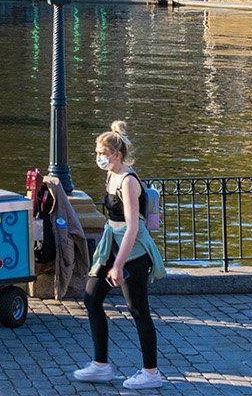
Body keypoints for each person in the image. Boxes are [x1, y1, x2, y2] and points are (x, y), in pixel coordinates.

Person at [75, 121, 165, 390]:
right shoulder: (111, 175)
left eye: (102, 153)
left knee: (138, 310)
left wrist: (118, 264)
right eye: (96, 153)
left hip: (133, 252)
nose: (98, 158)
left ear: (115, 154)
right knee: (91, 297)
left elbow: (133, 226)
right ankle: (101, 365)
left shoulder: (127, 181)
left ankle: (151, 372)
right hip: (112, 243)